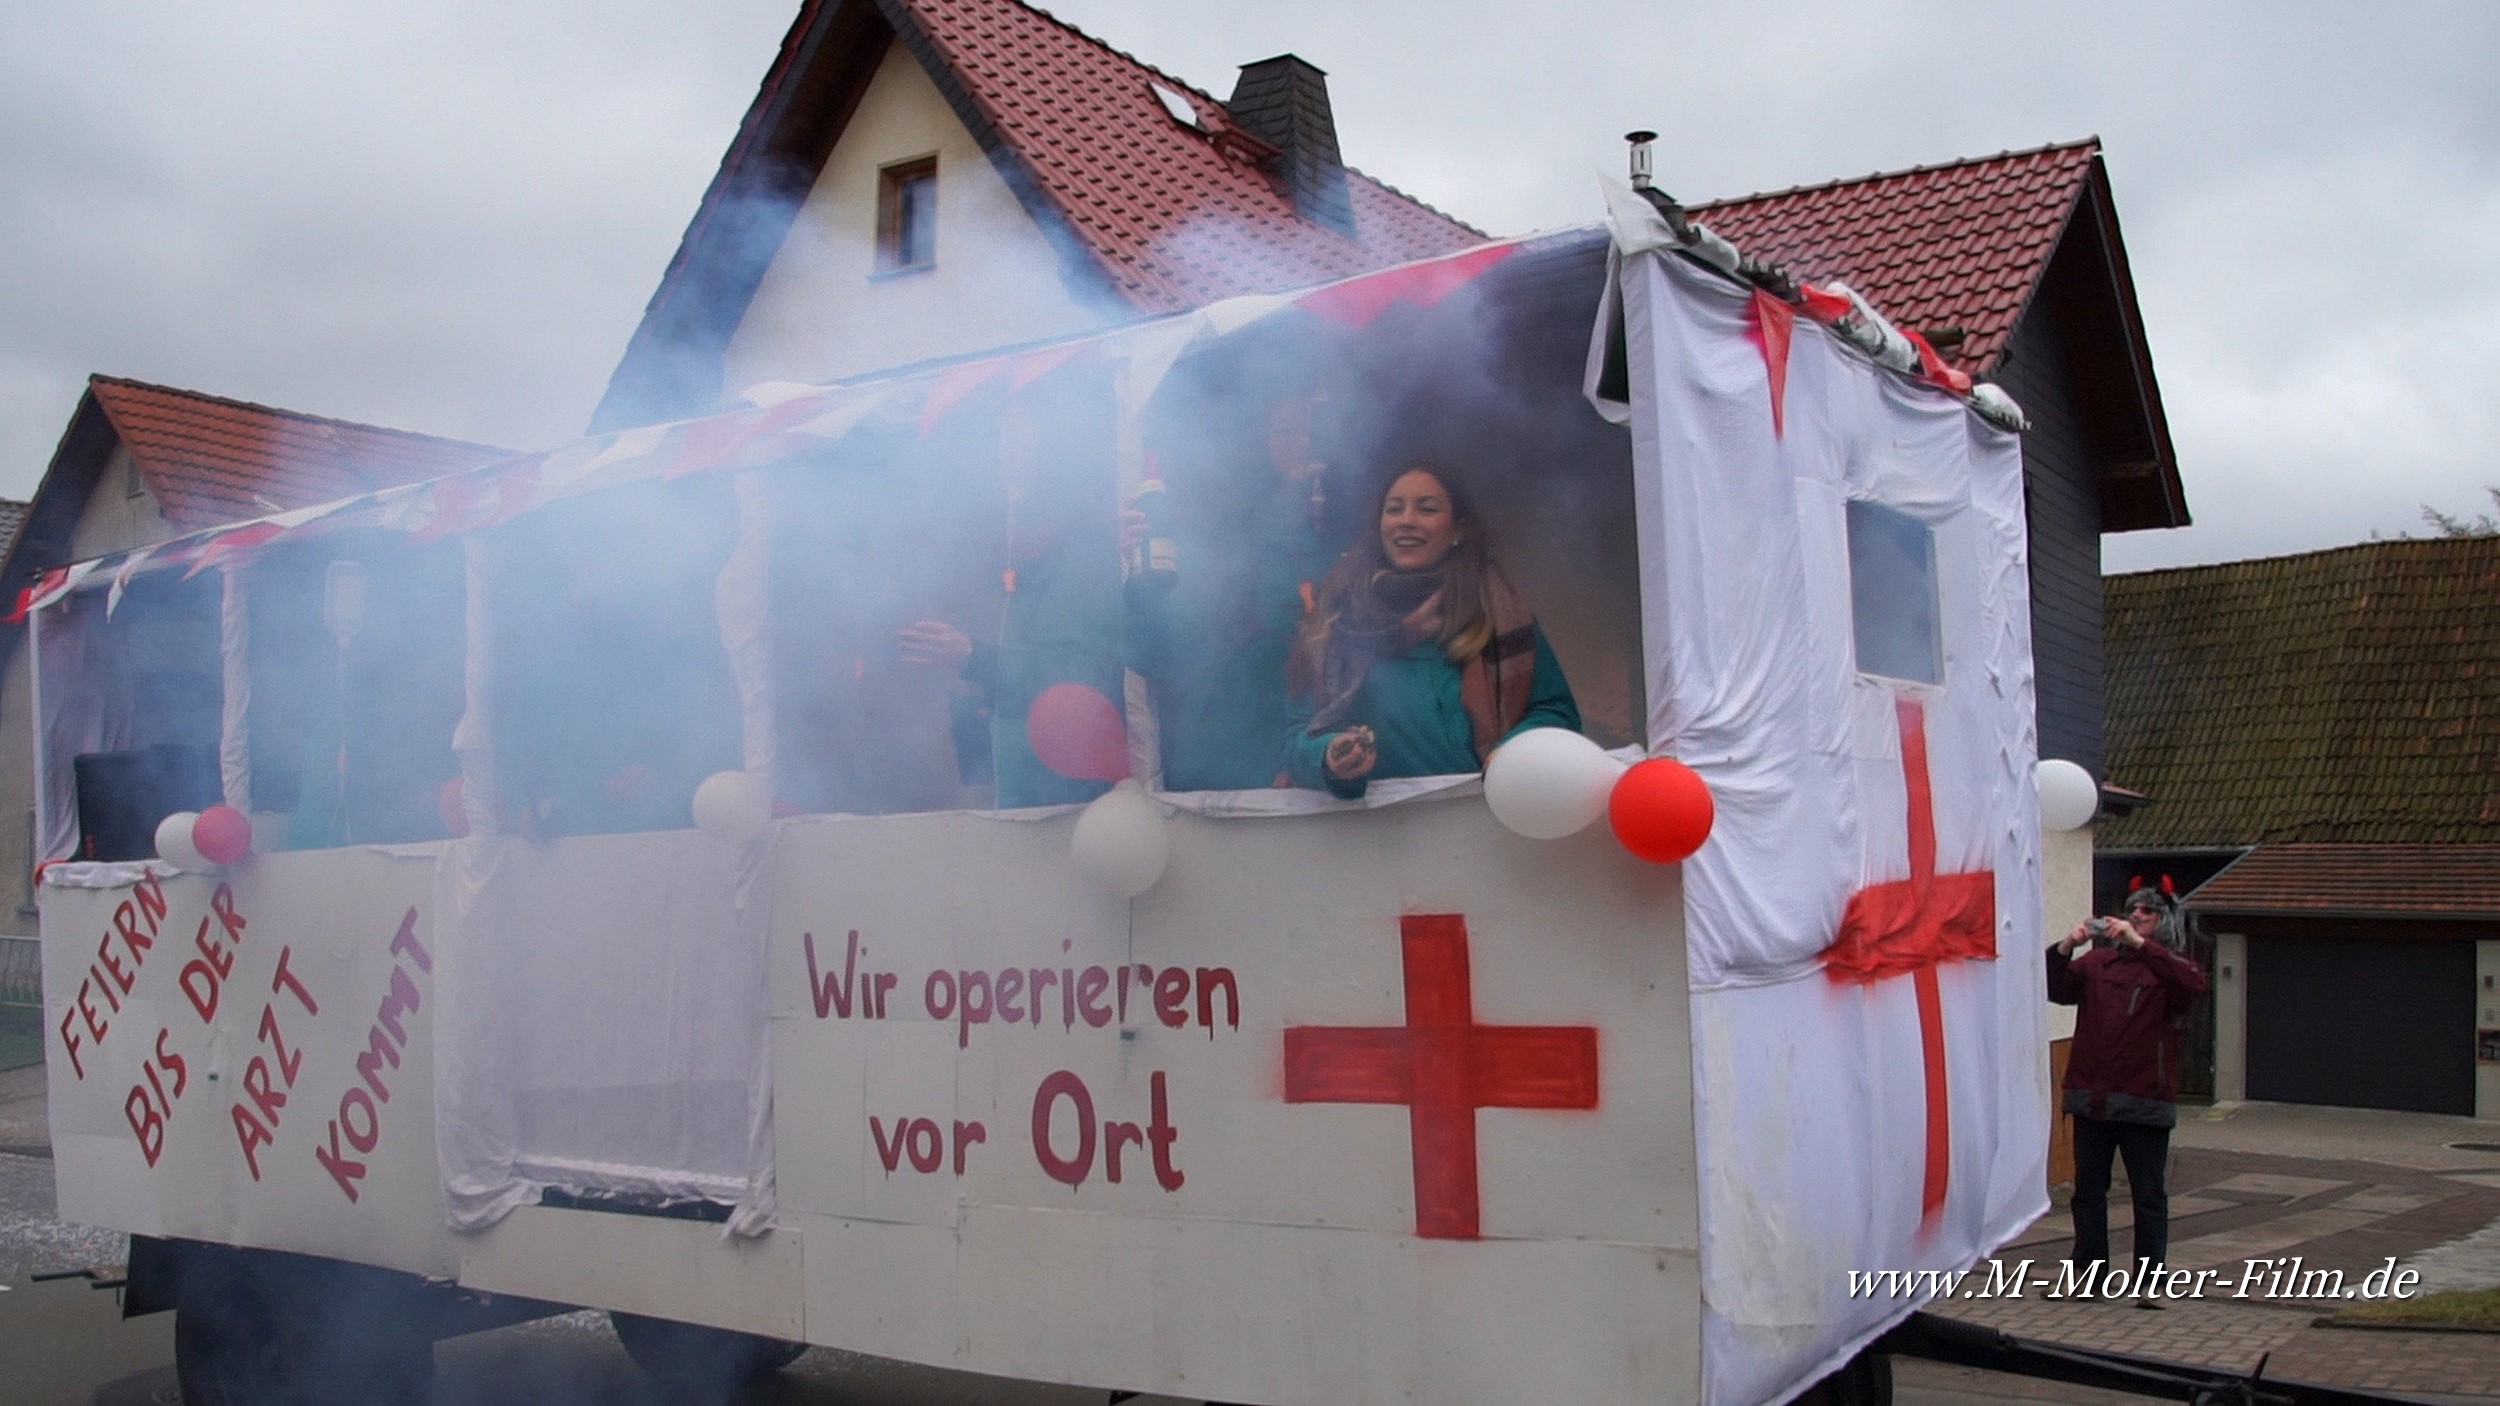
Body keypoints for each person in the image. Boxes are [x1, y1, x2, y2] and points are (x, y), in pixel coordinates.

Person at [1284, 463, 1579, 798]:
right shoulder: (1334, 621)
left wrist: (1513, 752)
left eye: (1427, 509)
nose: (1406, 520)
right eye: (1394, 509)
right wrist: (1329, 755)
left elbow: (1556, 714)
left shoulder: (1501, 615)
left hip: (1486, 823)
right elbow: (1297, 740)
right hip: (1370, 835)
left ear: (1458, 530)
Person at [1126, 393, 1338, 790]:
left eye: (1312, 429)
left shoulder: (1335, 533)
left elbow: (1337, 658)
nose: (1302, 443)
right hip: (1203, 770)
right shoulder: (1194, 545)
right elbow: (1149, 657)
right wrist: (1138, 587)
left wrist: (1302, 760)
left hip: (1297, 770)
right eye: (1286, 431)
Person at [2047, 886, 2208, 1305]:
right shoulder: (2099, 963)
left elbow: (2192, 985)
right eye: (2132, 909)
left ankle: (2151, 1282)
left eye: (2147, 912)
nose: (2135, 915)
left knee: (2148, 1194)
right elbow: (2055, 987)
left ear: (2163, 923)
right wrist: (2067, 945)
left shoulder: (2171, 969)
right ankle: (2088, 1274)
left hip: (2144, 1100)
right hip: (2092, 1096)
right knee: (2088, 1192)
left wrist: (2141, 946)